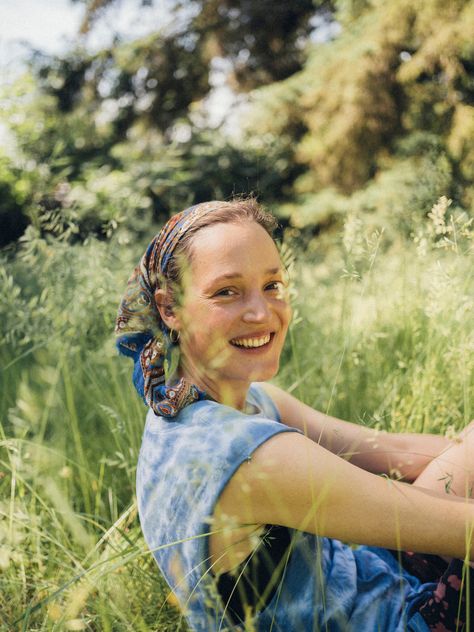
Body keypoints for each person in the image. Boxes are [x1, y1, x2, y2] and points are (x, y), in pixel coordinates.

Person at [115, 198, 474, 632]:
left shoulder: (232, 402)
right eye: (227, 291)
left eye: (272, 285)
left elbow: (391, 450)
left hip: (372, 577)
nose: (262, 313)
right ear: (169, 308)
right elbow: (460, 529)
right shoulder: (242, 456)